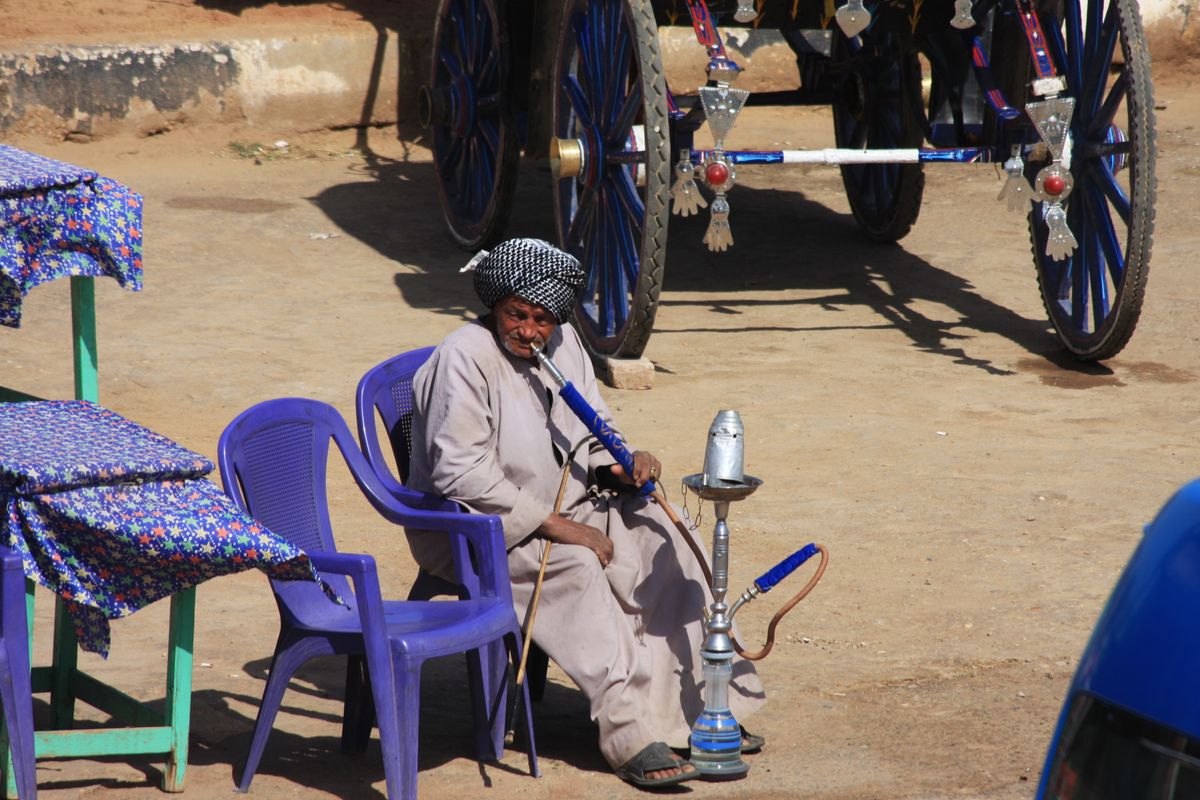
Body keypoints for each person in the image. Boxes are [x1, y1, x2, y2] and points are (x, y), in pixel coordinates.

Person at [404, 238, 765, 788]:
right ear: (495, 305)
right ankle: (629, 732)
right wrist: (556, 526)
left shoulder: (566, 342)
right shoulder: (464, 358)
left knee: (665, 535)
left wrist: (620, 463)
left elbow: (595, 424)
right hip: (480, 528)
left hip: (570, 505)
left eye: (541, 319)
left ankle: (703, 707)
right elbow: (460, 474)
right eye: (516, 315)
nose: (529, 331)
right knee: (575, 568)